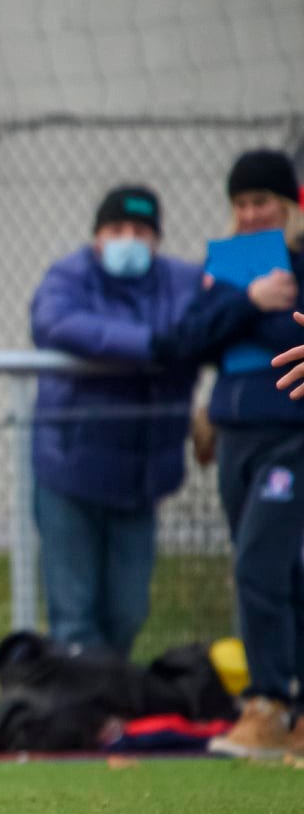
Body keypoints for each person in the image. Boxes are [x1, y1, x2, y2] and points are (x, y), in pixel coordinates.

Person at [29, 185, 296, 659]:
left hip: (141, 476)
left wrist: (244, 297)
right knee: (75, 614)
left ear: (156, 239)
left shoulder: (181, 279)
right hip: (71, 470)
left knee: (128, 611)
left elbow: (209, 326)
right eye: (116, 230)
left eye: (139, 231)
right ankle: (89, 716)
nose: (127, 240)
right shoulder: (69, 276)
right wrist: (150, 345)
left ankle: (108, 699)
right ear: (97, 237)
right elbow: (56, 322)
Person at [155, 149, 304, 759]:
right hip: (235, 434)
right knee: (276, 569)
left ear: (290, 206)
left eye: (262, 202)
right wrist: (247, 302)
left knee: (259, 564)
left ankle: (268, 700)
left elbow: (280, 334)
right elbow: (184, 339)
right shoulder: (222, 276)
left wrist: (254, 312)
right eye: (241, 204)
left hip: (291, 433)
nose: (249, 214)